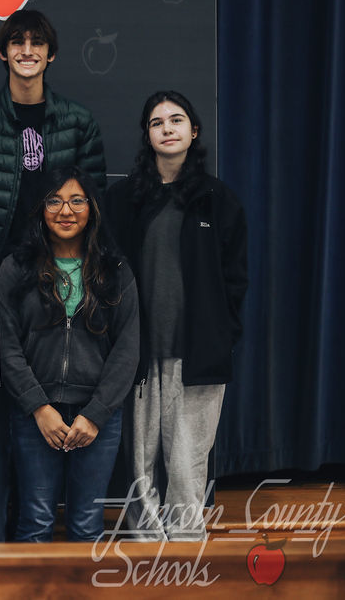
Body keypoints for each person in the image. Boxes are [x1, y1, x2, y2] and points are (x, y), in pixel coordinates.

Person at [0, 9, 106, 541]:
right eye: (17, 42)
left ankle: (48, 532)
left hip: (59, 278)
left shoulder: (78, 122)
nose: (28, 50)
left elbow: (94, 202)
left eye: (38, 42)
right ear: (3, 52)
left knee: (48, 396)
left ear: (51, 54)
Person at [105, 91, 247, 541]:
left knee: (187, 458)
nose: (167, 128)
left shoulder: (217, 200)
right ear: (147, 135)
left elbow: (235, 279)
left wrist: (223, 333)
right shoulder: (124, 199)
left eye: (177, 119)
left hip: (197, 354)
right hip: (139, 354)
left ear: (194, 131)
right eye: (157, 122)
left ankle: (186, 545)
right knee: (139, 461)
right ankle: (146, 545)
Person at [0, 167, 139, 541]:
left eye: (77, 200)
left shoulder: (116, 271)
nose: (66, 210)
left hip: (97, 419)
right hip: (35, 416)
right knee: (35, 522)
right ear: (40, 209)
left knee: (86, 527)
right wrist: (39, 408)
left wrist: (96, 414)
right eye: (54, 200)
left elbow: (127, 349)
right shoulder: (16, 268)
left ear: (92, 208)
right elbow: (5, 345)